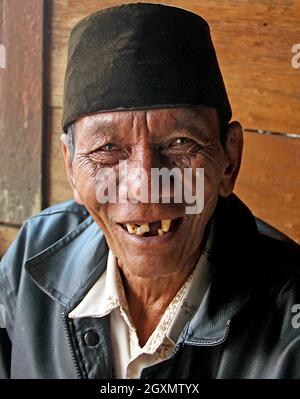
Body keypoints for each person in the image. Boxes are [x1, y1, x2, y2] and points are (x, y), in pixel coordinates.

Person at [0, 3, 300, 379]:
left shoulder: (291, 322)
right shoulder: (34, 251)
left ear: (229, 159)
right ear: (71, 167)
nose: (144, 189)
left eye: (180, 143)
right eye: (108, 149)